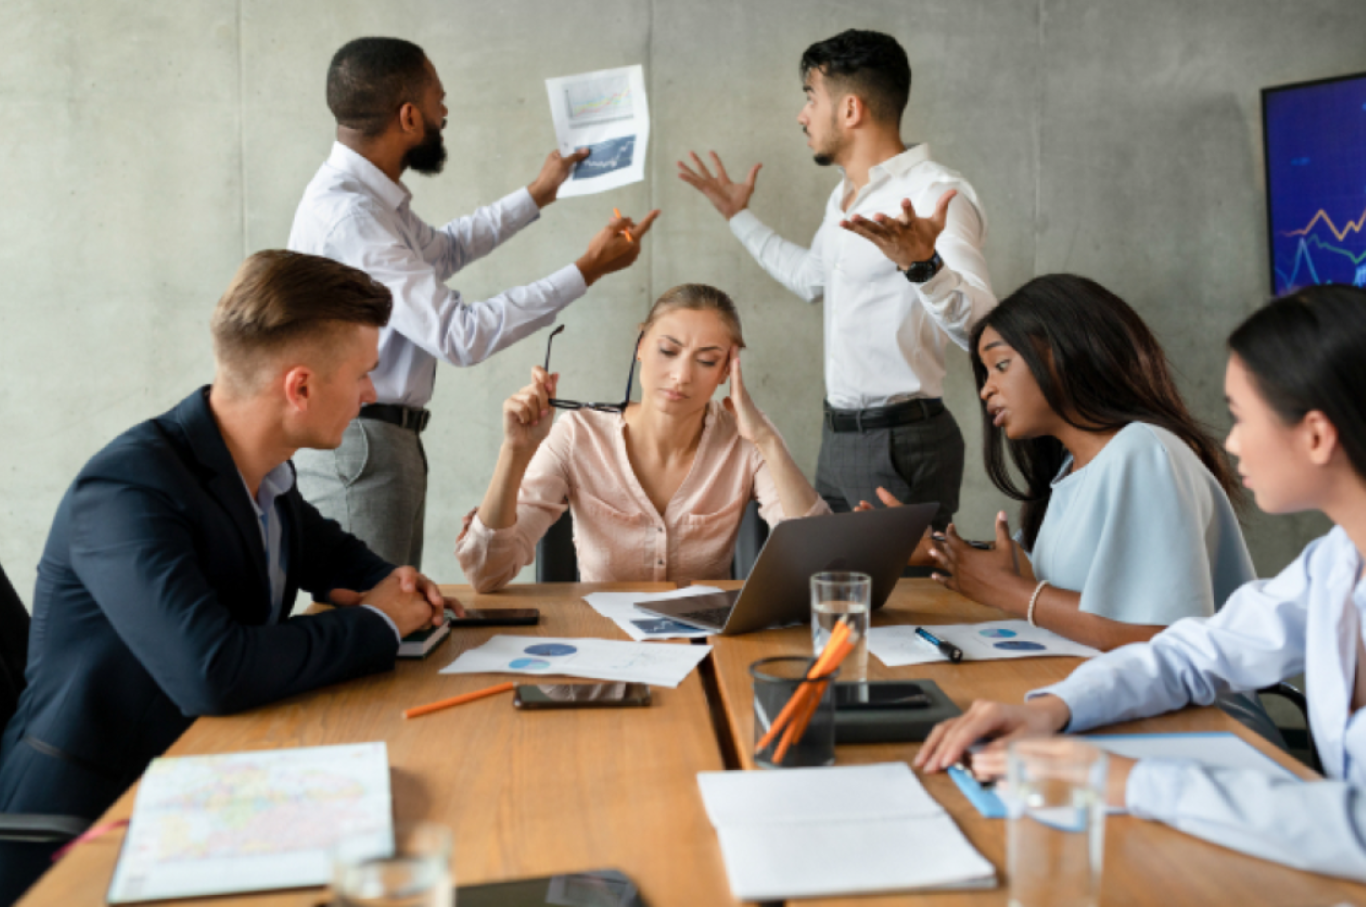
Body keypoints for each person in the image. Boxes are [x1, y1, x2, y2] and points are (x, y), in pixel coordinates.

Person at [0, 251, 449, 903]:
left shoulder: (265, 475)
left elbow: (352, 564)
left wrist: (399, 587)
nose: (371, 394)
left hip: (199, 785)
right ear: (299, 387)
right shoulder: (128, 489)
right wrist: (379, 620)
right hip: (83, 824)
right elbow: (213, 669)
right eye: (363, 374)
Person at [915, 284, 1366, 881]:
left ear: (1315, 434)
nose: (1228, 443)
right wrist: (1052, 710)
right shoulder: (1334, 561)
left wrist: (1126, 779)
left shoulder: (1146, 451)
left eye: (1241, 417)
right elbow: (1191, 651)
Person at [289, 37, 659, 567]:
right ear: (410, 117)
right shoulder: (353, 218)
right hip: (364, 446)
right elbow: (460, 336)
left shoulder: (368, 201)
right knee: (373, 616)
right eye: (439, 99)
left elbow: (446, 249)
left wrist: (538, 192)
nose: (446, 112)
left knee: (389, 614)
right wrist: (587, 270)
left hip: (382, 442)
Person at [678, 28, 995, 527]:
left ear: (850, 110)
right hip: (838, 437)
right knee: (839, 599)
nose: (802, 115)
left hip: (899, 442)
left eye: (810, 97)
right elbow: (810, 278)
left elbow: (987, 333)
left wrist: (923, 266)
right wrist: (738, 216)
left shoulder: (936, 194)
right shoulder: (847, 195)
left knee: (901, 603)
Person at [874, 274, 1252, 652]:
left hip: (1189, 711)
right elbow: (1041, 569)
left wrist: (1013, 594)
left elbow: (1159, 638)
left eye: (1001, 365)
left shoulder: (1143, 453)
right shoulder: (1076, 465)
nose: (986, 389)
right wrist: (934, 548)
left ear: (1064, 352)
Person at [456, 284, 830, 592]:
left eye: (706, 361)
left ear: (725, 372)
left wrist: (766, 439)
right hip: (602, 656)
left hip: (705, 657)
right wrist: (514, 452)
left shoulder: (748, 437)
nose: (681, 375)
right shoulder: (577, 436)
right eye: (667, 351)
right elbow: (485, 574)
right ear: (640, 347)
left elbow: (819, 566)